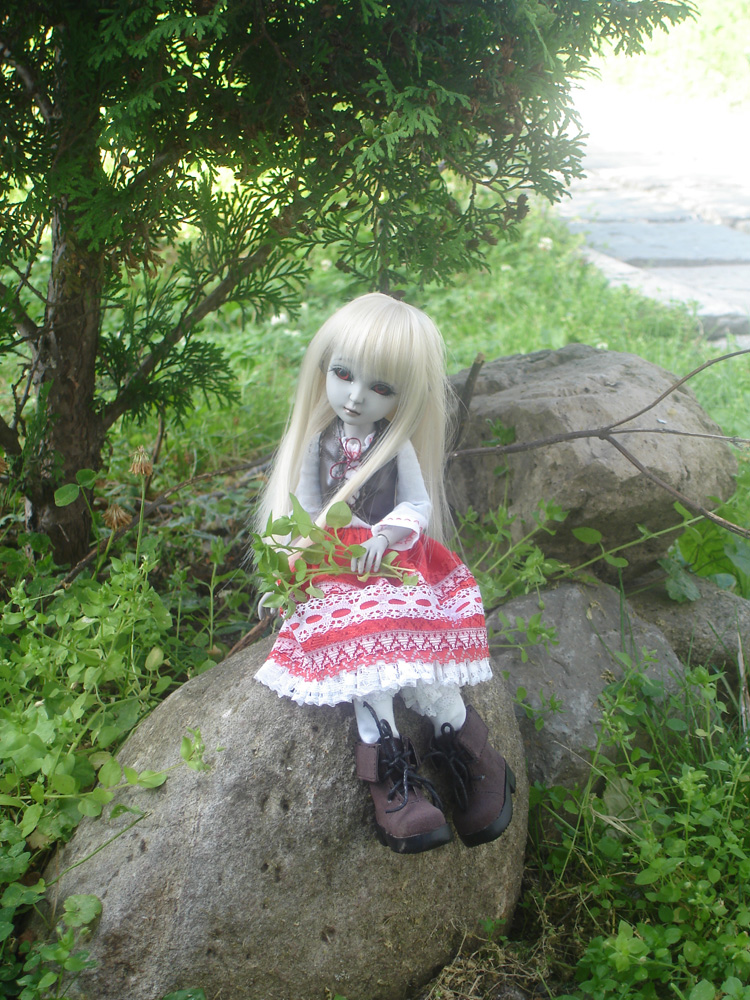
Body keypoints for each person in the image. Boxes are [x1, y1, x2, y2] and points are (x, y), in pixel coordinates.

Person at [254, 292, 515, 854]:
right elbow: (304, 511)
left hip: (392, 560)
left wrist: (382, 535)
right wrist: (297, 568)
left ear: (403, 397)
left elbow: (417, 505)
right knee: (364, 649)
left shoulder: (394, 447)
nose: (354, 397)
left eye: (380, 387)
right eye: (343, 374)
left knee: (409, 638)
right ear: (322, 370)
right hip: (335, 564)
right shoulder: (316, 444)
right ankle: (390, 766)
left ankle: (468, 745)